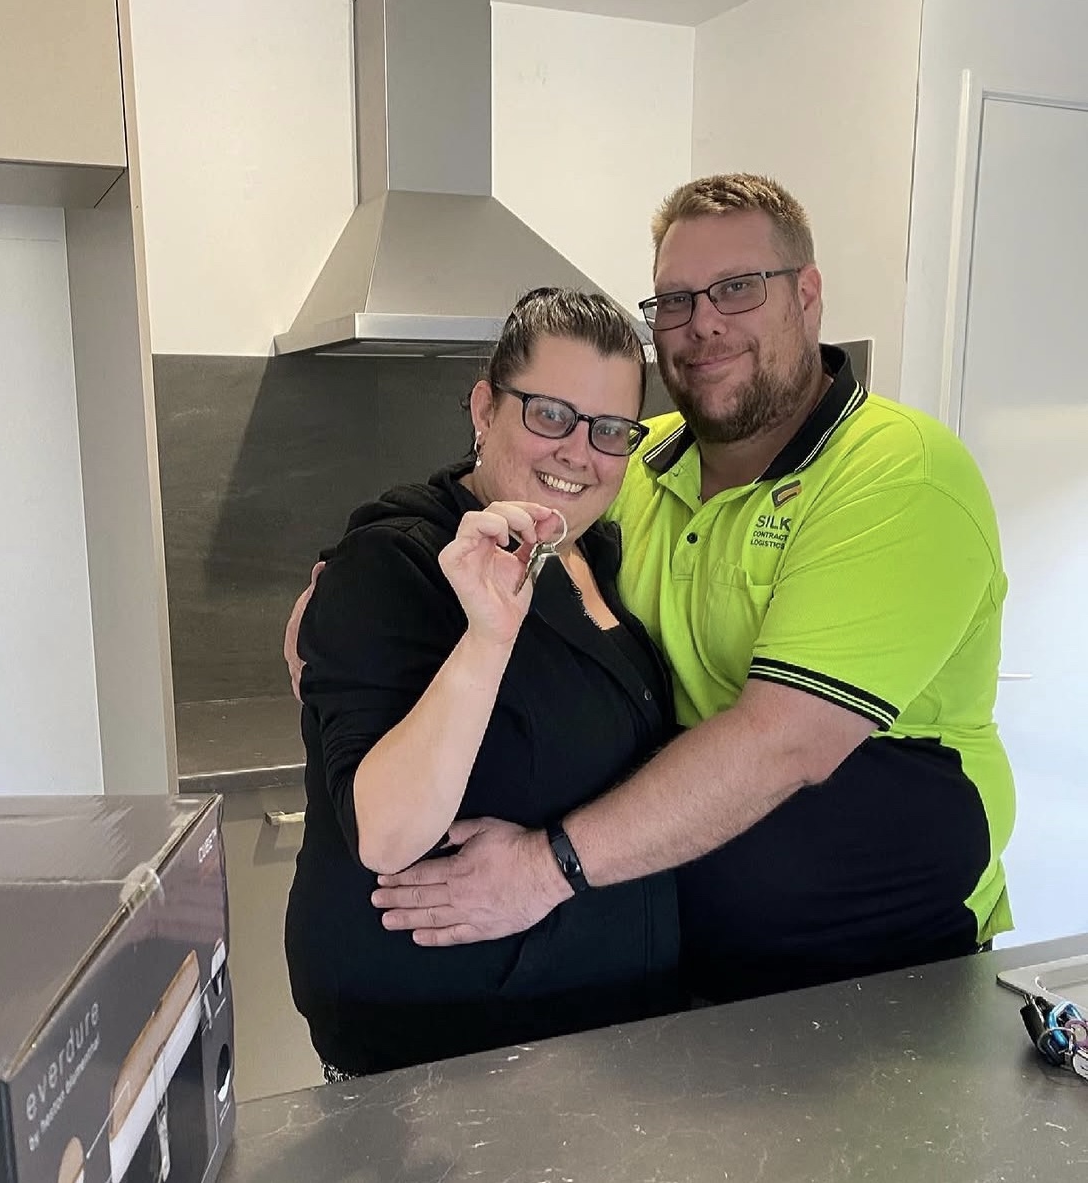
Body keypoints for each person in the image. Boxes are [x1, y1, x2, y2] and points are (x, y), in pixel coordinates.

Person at [288, 174, 1017, 1007]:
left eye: (738, 288)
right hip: (688, 996)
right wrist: (342, 609)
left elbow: (785, 742)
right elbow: (474, 498)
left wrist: (543, 867)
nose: (703, 322)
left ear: (807, 296)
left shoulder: (898, 473)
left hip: (888, 972)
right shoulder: (637, 460)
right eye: (674, 300)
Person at [284, 287, 684, 1079]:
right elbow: (388, 832)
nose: (579, 451)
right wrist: (488, 637)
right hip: (447, 1073)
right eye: (549, 414)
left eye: (609, 430)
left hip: (597, 1057)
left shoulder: (593, 556)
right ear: (484, 407)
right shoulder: (395, 564)